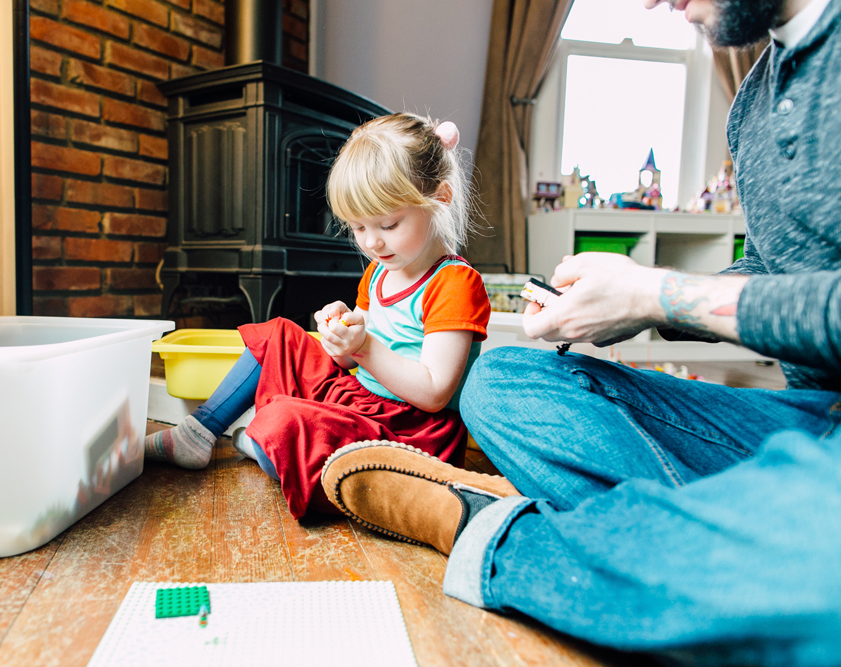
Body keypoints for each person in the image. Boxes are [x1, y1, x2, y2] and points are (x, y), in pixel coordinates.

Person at [320, 0, 841, 664]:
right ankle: (730, 535)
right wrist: (642, 305)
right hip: (802, 420)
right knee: (500, 381)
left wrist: (658, 293)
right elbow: (771, 275)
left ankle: (495, 533)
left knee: (825, 565)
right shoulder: (756, 101)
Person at [146, 113, 492, 519]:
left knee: (282, 420)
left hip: (409, 430)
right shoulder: (380, 270)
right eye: (358, 227)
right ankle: (199, 431)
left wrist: (363, 348)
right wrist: (341, 338)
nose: (372, 241)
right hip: (360, 398)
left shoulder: (453, 283)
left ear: (441, 198)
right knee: (278, 334)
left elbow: (434, 393)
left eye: (388, 224)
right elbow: (349, 361)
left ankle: (271, 445)